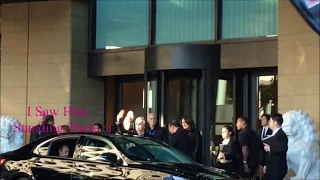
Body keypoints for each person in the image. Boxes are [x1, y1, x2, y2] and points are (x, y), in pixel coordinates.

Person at [263, 113, 288, 180]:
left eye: (270, 121)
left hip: (277, 167)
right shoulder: (272, 134)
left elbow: (283, 148)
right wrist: (265, 165)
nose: (269, 123)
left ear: (275, 122)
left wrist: (269, 148)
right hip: (270, 167)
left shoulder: (281, 134)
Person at [257, 114, 273, 180]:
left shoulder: (272, 131)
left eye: (263, 119)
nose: (262, 121)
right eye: (261, 119)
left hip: (268, 157)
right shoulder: (259, 131)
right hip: (260, 157)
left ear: (268, 120)